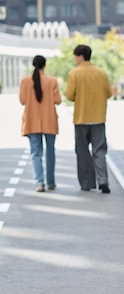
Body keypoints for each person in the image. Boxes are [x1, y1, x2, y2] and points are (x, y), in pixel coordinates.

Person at [66, 44, 113, 194]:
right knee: (99, 150)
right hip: (99, 118)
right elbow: (109, 93)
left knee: (82, 151)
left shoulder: (75, 73)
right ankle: (103, 180)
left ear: (80, 56)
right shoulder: (101, 73)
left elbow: (69, 95)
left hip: (81, 118)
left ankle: (87, 183)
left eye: (75, 57)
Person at [19, 55, 62, 192]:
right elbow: (58, 100)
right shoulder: (52, 81)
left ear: (33, 65)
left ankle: (39, 182)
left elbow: (22, 100)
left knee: (36, 153)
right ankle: (51, 182)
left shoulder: (25, 81)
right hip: (49, 120)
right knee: (50, 152)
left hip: (32, 121)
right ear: (44, 65)